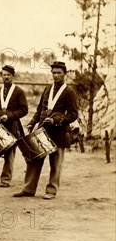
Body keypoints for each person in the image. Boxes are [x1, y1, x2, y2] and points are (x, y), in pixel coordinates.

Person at [13, 61, 78, 200]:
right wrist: (32, 123)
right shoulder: (47, 89)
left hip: (59, 133)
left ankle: (51, 191)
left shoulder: (69, 92)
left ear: (65, 74)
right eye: (54, 73)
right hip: (42, 131)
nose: (56, 75)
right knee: (35, 160)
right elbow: (39, 110)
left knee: (56, 163)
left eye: (59, 73)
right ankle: (28, 189)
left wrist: (56, 120)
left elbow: (73, 114)